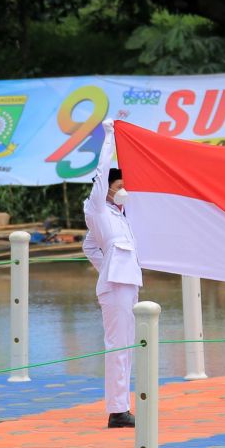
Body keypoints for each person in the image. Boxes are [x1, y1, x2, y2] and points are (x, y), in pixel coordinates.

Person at [83, 119, 142, 428]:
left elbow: (89, 247)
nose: (121, 191)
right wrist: (109, 137)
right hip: (116, 286)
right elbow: (101, 174)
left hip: (126, 284)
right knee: (118, 346)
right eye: (117, 186)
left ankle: (123, 405)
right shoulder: (97, 209)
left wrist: (104, 267)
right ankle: (118, 410)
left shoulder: (121, 217)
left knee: (127, 346)